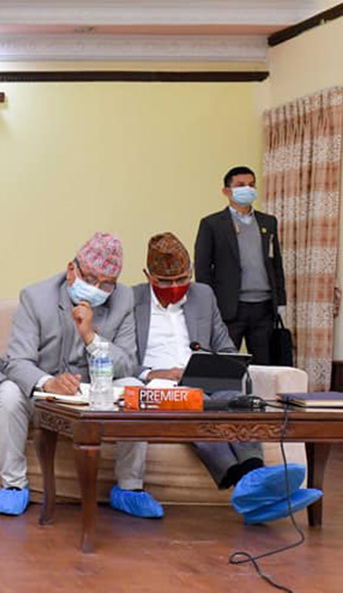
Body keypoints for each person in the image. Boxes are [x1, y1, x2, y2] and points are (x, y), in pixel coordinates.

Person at [133, 232, 321, 523]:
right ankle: (252, 488)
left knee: (237, 400)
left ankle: (254, 481)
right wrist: (152, 373)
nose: (175, 287)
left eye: (182, 279)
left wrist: (218, 365)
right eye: (165, 282)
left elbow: (226, 348)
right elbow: (120, 356)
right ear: (148, 276)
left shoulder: (203, 295)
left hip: (202, 376)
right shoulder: (131, 300)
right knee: (196, 404)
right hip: (160, 383)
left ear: (191, 271)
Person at [0, 232, 161, 518]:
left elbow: (128, 363)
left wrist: (90, 337)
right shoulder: (36, 297)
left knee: (135, 389)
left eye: (107, 284)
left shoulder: (123, 298)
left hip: (94, 389)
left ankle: (129, 488)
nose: (97, 289)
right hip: (43, 388)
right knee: (8, 394)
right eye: (90, 279)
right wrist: (49, 383)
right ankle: (14, 485)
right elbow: (17, 360)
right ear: (72, 270)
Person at [195, 166, 286, 365]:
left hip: (264, 308)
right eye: (241, 185)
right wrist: (209, 305)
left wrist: (281, 302)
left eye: (251, 185)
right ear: (226, 191)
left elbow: (276, 264)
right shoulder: (212, 224)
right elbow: (202, 269)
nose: (248, 189)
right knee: (225, 364)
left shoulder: (268, 222)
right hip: (229, 308)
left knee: (263, 365)